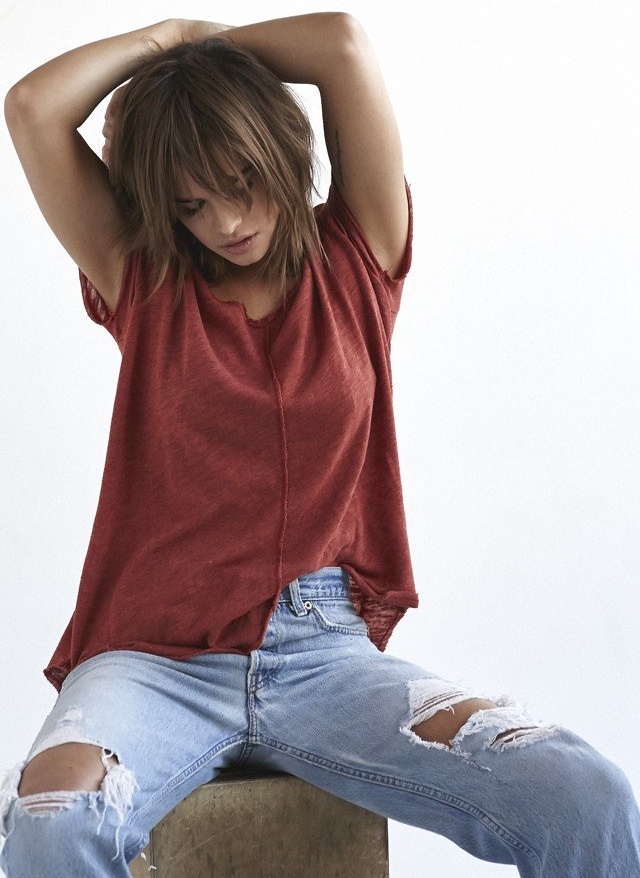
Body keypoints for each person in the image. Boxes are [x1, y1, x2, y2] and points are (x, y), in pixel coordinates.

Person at [1, 13, 638, 877]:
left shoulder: (358, 255)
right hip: (152, 661)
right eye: (192, 204)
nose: (228, 220)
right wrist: (164, 41)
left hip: (322, 657)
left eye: (243, 181)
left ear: (280, 151)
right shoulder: (144, 281)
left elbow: (341, 43)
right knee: (54, 819)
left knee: (583, 793)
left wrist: (206, 49)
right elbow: (33, 107)